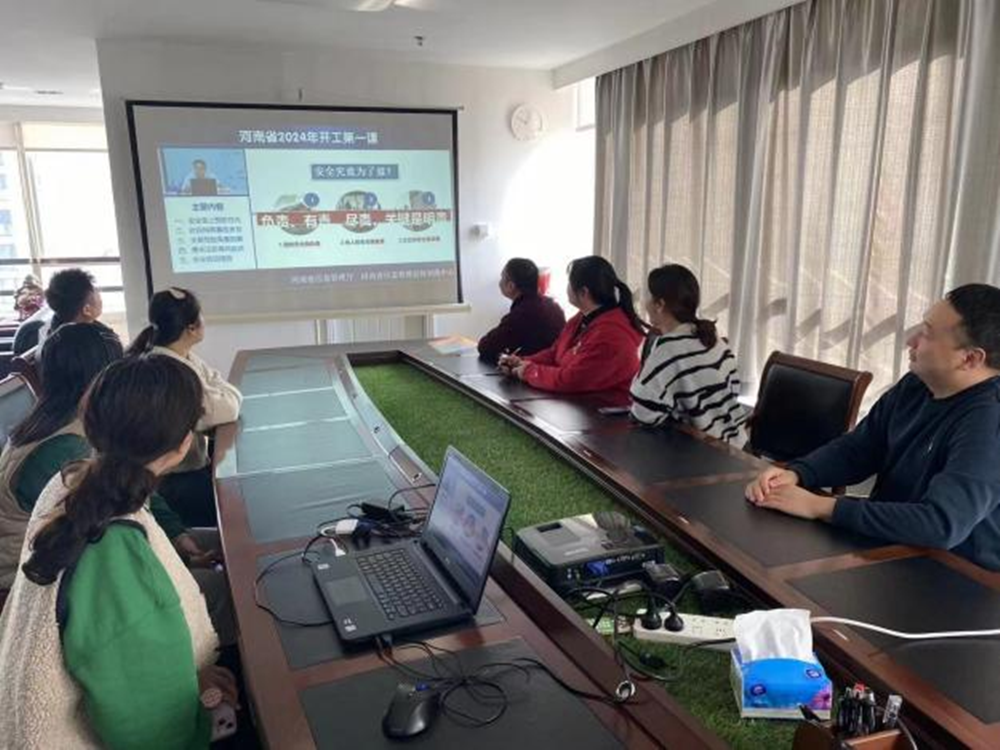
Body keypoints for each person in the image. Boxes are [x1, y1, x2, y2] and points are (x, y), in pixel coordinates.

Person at [0, 355, 238, 748]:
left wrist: (186, 678)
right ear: (184, 443)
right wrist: (195, 712)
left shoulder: (71, 481)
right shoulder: (116, 557)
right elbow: (150, 731)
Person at [744, 283, 1000, 571]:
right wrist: (797, 473)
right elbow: (860, 449)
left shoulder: (989, 420)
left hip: (958, 573)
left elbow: (940, 524)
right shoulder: (916, 384)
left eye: (927, 333)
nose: (911, 340)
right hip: (890, 546)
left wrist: (818, 506)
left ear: (970, 358)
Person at [0, 323, 215, 589]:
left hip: (74, 558)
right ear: (99, 380)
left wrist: (176, 534)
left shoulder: (53, 421)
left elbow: (130, 484)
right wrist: (178, 558)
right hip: (40, 580)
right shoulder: (67, 450)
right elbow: (106, 539)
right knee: (218, 586)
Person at [127, 288, 242, 526]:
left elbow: (221, 387)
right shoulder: (169, 372)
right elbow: (227, 407)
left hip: (184, 470)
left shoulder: (179, 356)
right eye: (201, 315)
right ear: (191, 328)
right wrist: (223, 393)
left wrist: (223, 393)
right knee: (238, 509)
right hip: (177, 480)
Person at [629, 264, 749, 443]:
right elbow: (734, 390)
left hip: (705, 451)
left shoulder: (669, 348)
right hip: (737, 444)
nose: (643, 304)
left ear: (659, 304)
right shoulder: (713, 338)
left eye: (647, 297)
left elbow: (644, 414)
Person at [500, 256, 646, 399]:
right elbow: (556, 353)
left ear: (583, 292)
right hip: (578, 402)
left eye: (569, 283)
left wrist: (528, 371)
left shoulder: (611, 335)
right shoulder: (582, 317)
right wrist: (522, 361)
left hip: (603, 408)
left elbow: (572, 380)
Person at [477, 258, 566, 364]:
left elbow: (485, 346)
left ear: (511, 286)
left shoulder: (522, 314)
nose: (499, 283)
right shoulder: (552, 305)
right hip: (555, 364)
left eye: (502, 278)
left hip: (537, 368)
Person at [25, 268, 110, 353]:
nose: (100, 296)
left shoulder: (53, 336)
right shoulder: (95, 345)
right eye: (96, 292)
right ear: (87, 310)